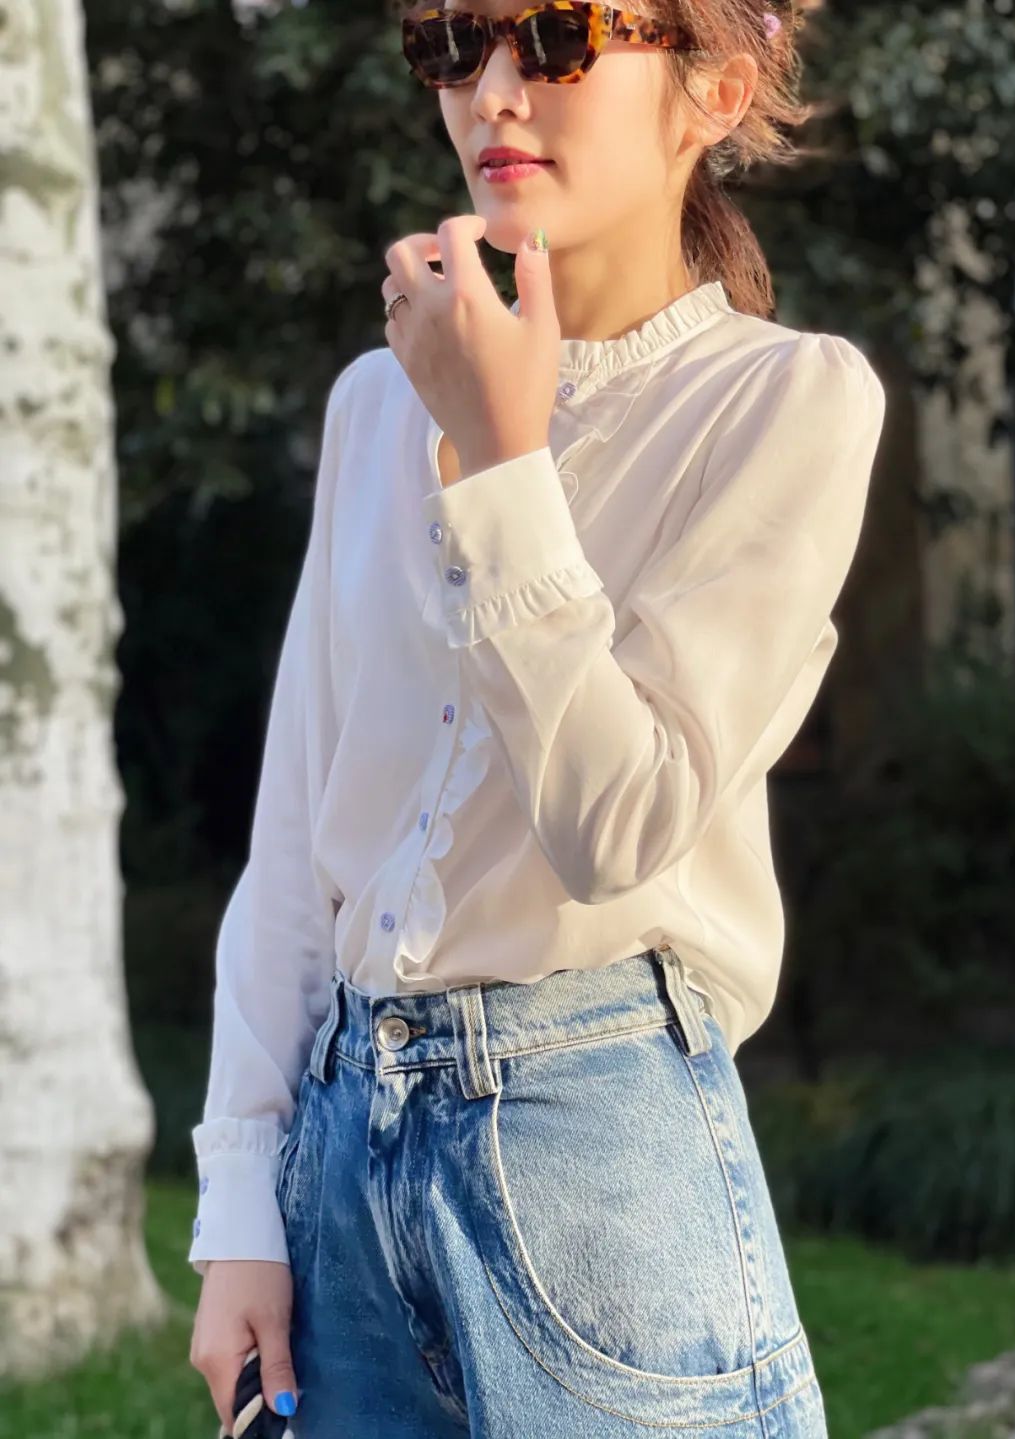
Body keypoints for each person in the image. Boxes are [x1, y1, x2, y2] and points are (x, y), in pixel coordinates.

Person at [188, 0, 886, 1433]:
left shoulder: (787, 404)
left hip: (597, 1141)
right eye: (453, 41)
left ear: (716, 89)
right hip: (343, 1155)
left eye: (559, 37)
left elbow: (613, 824)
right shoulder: (376, 404)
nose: (492, 92)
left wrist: (503, 460)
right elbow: (300, 836)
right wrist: (241, 1208)